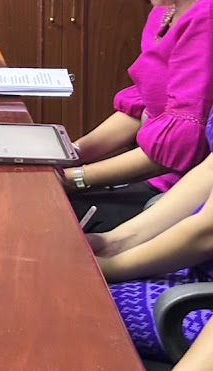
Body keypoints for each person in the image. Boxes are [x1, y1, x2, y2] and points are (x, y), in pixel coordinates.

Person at [66, 0, 213, 232]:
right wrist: (72, 153)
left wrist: (78, 178)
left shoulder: (205, 17)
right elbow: (141, 107)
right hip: (158, 184)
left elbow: (180, 148)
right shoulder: (166, 8)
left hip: (179, 199)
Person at [88, 108, 213, 362]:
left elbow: (207, 234)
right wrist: (112, 242)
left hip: (201, 298)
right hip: (195, 271)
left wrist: (107, 268)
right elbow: (209, 172)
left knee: (67, 303)